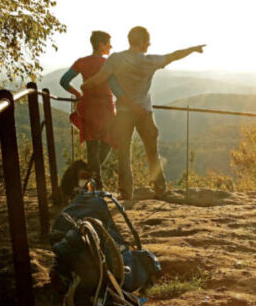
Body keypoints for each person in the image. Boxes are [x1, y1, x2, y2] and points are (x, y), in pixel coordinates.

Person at [82, 26, 205, 199]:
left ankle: (126, 193)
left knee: (124, 154)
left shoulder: (115, 59)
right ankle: (160, 188)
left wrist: (85, 85)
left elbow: (101, 77)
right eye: (148, 41)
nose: (149, 44)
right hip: (144, 113)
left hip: (123, 114)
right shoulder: (150, 61)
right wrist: (191, 50)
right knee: (152, 152)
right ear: (141, 42)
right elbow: (173, 56)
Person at [59, 31, 116, 189]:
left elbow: (64, 81)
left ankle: (93, 180)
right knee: (109, 142)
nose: (111, 46)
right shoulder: (109, 64)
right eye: (108, 43)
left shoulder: (81, 62)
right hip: (106, 108)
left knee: (92, 146)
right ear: (100, 45)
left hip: (89, 107)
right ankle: (96, 183)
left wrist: (78, 94)